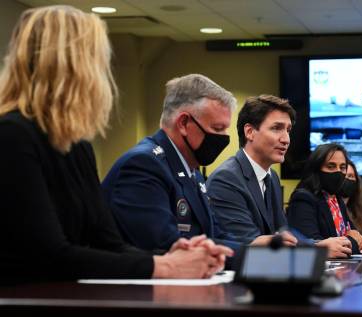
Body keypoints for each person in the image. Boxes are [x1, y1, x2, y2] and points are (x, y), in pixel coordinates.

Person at [0, 5, 232, 283]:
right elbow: (50, 255)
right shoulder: (12, 136)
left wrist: (171, 256)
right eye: (98, 61)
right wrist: (165, 268)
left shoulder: (76, 145)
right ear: (72, 67)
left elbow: (108, 243)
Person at [102, 74, 290, 255]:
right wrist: (256, 256)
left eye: (225, 129)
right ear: (183, 123)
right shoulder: (144, 165)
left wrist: (260, 253)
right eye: (217, 128)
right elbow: (166, 246)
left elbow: (216, 236)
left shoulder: (192, 172)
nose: (224, 138)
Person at [207, 95, 351, 258]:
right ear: (250, 132)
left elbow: (284, 234)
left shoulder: (272, 177)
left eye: (288, 130)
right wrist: (318, 250)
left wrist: (316, 245)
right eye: (276, 128)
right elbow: (249, 244)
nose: (286, 139)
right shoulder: (226, 179)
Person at [287, 143, 362, 254]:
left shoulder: (336, 199)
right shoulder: (303, 199)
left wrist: (358, 240)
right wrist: (354, 241)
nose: (338, 172)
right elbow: (314, 245)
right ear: (316, 168)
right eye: (331, 166)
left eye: (342, 167)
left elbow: (360, 239)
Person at [340, 159, 362, 237]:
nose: (347, 180)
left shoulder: (357, 211)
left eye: (350, 176)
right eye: (343, 176)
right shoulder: (330, 209)